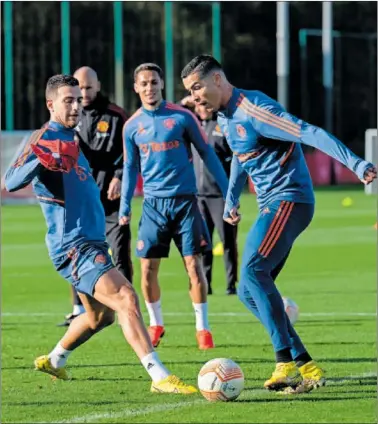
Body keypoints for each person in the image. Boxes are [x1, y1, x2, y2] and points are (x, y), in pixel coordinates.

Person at [181, 54, 377, 394]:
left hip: (291, 199)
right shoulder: (226, 118)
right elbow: (243, 159)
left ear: (217, 80)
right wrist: (232, 199)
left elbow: (308, 132)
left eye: (197, 87)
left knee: (254, 271)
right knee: (247, 290)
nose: (195, 96)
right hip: (270, 204)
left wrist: (357, 164)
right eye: (190, 91)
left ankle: (283, 361)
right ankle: (306, 365)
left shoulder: (255, 110)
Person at [3, 74, 197, 394]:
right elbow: (11, 181)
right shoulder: (46, 138)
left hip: (91, 242)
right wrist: (41, 157)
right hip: (74, 246)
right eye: (69, 100)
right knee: (126, 297)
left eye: (79, 99)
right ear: (51, 104)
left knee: (99, 318)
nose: (77, 106)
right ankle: (159, 376)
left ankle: (55, 359)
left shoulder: (70, 138)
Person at [119, 63, 229, 350]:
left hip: (185, 203)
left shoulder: (183, 117)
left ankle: (202, 329)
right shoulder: (131, 126)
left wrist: (229, 191)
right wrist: (124, 206)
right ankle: (156, 323)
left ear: (161, 84)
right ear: (136, 87)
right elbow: (131, 168)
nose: (149, 87)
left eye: (154, 82)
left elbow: (207, 154)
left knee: (194, 266)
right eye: (143, 83)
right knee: (146, 270)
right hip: (153, 206)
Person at [56, 66, 133, 327]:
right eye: (80, 87)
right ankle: (79, 309)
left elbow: (131, 152)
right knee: (75, 253)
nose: (85, 93)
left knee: (120, 251)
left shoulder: (116, 115)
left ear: (98, 86)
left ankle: (127, 307)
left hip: (111, 200)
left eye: (89, 87)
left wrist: (120, 176)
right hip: (81, 202)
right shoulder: (68, 117)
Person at [181, 96, 238, 295]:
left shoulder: (222, 124)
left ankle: (231, 285)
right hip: (198, 196)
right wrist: (182, 105)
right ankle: (207, 285)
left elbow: (235, 159)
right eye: (198, 104)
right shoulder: (192, 126)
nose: (202, 108)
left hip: (219, 196)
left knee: (228, 241)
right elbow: (172, 123)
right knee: (203, 243)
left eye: (205, 103)